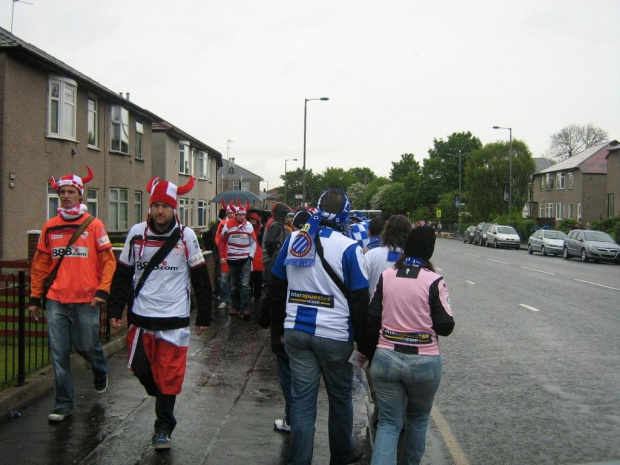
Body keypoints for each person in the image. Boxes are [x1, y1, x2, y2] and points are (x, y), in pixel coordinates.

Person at [108, 176, 212, 451]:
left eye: (165, 206)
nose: (160, 212)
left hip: (174, 320)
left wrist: (204, 316)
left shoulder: (187, 236)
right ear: (150, 207)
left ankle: (163, 427)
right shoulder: (136, 233)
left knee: (169, 375)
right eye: (155, 206)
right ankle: (161, 395)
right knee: (141, 369)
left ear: (174, 209)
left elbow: (200, 277)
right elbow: (122, 273)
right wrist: (115, 308)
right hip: (141, 318)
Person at [271, 188, 370, 465]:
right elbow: (360, 300)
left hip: (296, 333)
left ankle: (299, 460)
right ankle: (341, 455)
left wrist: (277, 330)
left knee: (301, 402)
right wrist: (364, 344)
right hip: (336, 336)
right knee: (340, 399)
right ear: (345, 214)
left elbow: (276, 287)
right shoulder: (350, 247)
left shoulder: (294, 240)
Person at [28, 166, 116, 422]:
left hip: (86, 300)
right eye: (62, 192)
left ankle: (100, 368)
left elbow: (109, 261)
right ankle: (63, 404)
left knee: (86, 345)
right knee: (58, 353)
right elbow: (40, 265)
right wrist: (35, 299)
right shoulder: (50, 227)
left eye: (71, 192)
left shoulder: (94, 225)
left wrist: (103, 290)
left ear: (80, 196)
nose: (66, 196)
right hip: (55, 300)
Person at [362, 226, 455, 465]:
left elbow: (372, 319)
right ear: (429, 251)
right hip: (424, 362)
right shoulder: (434, 281)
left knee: (389, 423)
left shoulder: (387, 276)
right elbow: (445, 326)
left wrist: (368, 353)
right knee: (417, 420)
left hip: (386, 358)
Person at [218, 202, 257, 319]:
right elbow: (222, 241)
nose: (242, 217)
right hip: (232, 260)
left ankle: (245, 308)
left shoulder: (249, 226)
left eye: (244, 215)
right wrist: (222, 256)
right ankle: (235, 306)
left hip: (245, 259)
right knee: (234, 285)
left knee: (245, 285)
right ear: (235, 215)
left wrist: (250, 256)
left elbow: (253, 242)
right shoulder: (228, 225)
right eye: (240, 215)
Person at [365, 215, 411, 299]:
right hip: (405, 308)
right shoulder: (414, 258)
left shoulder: (371, 254)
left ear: (385, 232)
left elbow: (362, 284)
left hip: (375, 307)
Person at [202, 208, 226, 301]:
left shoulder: (218, 224)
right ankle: (218, 293)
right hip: (218, 253)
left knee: (219, 274)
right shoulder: (219, 226)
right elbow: (216, 240)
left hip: (217, 252)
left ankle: (218, 293)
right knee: (219, 274)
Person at [246, 210, 265, 314]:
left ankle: (257, 296)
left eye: (254, 220)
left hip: (258, 256)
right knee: (249, 278)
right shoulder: (248, 229)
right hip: (250, 255)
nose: (253, 222)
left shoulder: (261, 229)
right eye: (251, 220)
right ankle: (250, 296)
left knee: (258, 277)